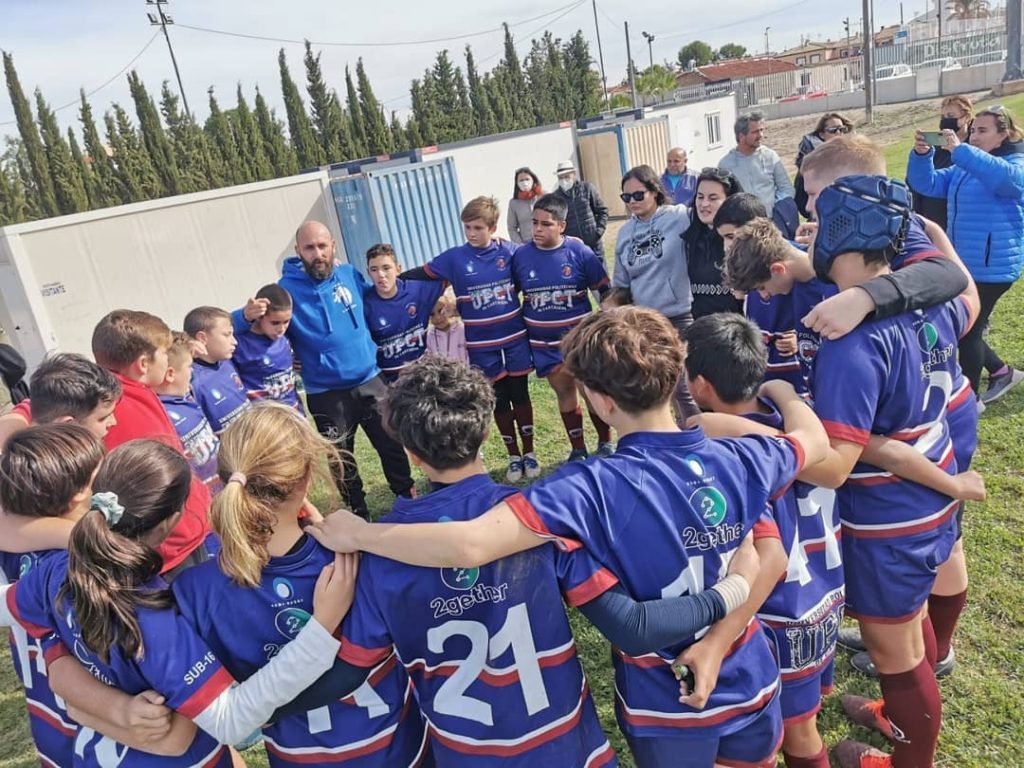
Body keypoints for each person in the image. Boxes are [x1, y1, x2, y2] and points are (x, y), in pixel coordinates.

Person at [308, 308, 830, 768]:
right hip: (752, 674)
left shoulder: (586, 489)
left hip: (667, 700)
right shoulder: (746, 458)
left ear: (601, 403)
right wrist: (779, 392)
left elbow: (469, 544)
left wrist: (363, 531)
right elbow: (813, 444)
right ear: (677, 378)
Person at [0, 435, 357, 766]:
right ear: (172, 521)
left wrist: (76, 689)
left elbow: (14, 611)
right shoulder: (156, 614)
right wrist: (320, 630)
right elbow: (228, 722)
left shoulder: (58, 568)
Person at [795, 175, 979, 768]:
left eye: (820, 224)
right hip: (932, 495)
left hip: (888, 520)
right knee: (912, 621)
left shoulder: (851, 342)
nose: (811, 234)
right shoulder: (932, 301)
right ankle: (900, 717)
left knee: (893, 649)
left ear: (846, 231)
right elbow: (965, 296)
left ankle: (910, 758)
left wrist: (776, 424)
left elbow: (836, 466)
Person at [172, 403, 429, 766]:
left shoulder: (193, 592)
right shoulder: (362, 561)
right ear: (307, 477)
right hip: (395, 753)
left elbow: (227, 713)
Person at [684, 314, 843, 768]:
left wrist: (718, 640)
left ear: (700, 384)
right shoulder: (798, 424)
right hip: (823, 600)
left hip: (774, 616)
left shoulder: (726, 453)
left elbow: (766, 559)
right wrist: (784, 391)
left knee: (776, 737)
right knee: (801, 728)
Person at [241, 220, 415, 520]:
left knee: (391, 441)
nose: (317, 253)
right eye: (309, 248)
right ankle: (358, 510)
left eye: (323, 246)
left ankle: (407, 496)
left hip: (370, 379)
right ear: (298, 251)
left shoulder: (349, 274)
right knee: (340, 457)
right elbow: (256, 323)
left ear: (333, 246)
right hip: (326, 393)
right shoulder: (285, 290)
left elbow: (381, 298)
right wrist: (242, 316)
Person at [402, 196, 540, 483]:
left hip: (514, 337)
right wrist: (391, 281)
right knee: (498, 400)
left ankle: (530, 452)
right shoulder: (454, 258)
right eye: (467, 228)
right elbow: (420, 274)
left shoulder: (511, 252)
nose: (472, 234)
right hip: (481, 344)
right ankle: (513, 456)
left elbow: (538, 262)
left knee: (521, 394)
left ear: (492, 227)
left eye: (478, 227)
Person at [908, 104, 1024, 406]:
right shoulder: (965, 166)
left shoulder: (1015, 162)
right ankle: (1000, 373)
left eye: (982, 131)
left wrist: (962, 152)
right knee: (963, 327)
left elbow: (1007, 182)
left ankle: (969, 402)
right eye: (973, 130)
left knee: (967, 331)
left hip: (992, 267)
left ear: (1005, 134)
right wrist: (922, 157)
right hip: (965, 263)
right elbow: (928, 184)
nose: (974, 136)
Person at [511, 192, 614, 460]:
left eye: (546, 224)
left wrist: (608, 322)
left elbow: (604, 290)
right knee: (564, 392)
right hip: (544, 344)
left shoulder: (579, 251)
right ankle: (578, 449)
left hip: (579, 343)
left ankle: (605, 443)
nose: (537, 229)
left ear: (561, 226)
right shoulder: (521, 257)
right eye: (534, 222)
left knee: (591, 392)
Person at [607, 164, 698, 418]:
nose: (632, 201)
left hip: (679, 314)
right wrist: (614, 308)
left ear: (655, 191)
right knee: (653, 387)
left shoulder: (678, 217)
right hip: (646, 322)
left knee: (683, 386)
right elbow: (622, 283)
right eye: (626, 197)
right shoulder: (625, 233)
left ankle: (698, 436)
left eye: (638, 195)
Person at [715, 194, 804, 392]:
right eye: (723, 238)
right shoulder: (749, 271)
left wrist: (800, 336)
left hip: (797, 379)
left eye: (732, 237)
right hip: (764, 376)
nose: (727, 245)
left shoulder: (783, 271)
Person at [363, 243, 444, 381]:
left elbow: (454, 274)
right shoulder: (365, 304)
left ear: (398, 269)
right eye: (374, 269)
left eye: (386, 268)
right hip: (389, 384)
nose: (381, 275)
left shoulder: (417, 290)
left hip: (423, 376)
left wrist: (487, 247)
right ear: (368, 272)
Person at [156, 332, 220, 491]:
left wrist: (187, 345)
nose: (193, 372)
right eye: (189, 367)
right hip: (205, 502)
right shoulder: (162, 415)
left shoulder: (185, 396)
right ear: (170, 374)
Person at [684, 167, 744, 318]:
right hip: (701, 328)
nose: (704, 204)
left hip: (737, 327)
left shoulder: (742, 238)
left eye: (712, 198)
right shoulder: (690, 237)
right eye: (700, 197)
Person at [232, 284, 303, 412]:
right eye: (275, 323)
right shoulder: (239, 344)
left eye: (286, 322)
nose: (281, 328)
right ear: (259, 317)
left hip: (292, 413)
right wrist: (242, 315)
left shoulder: (285, 337)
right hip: (265, 420)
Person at [907, 95, 974, 230]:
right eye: (943, 117)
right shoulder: (934, 148)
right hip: (932, 219)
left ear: (966, 118)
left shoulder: (975, 147)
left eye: (950, 115)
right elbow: (916, 185)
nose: (945, 121)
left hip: (962, 220)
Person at [184, 305, 250, 435]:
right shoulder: (189, 379)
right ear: (202, 338)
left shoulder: (226, 361)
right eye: (227, 335)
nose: (234, 341)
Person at [718, 112, 796, 218]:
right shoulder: (726, 165)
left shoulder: (770, 156)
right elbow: (723, 198)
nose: (761, 135)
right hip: (743, 226)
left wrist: (776, 209)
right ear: (741, 136)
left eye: (761, 130)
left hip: (772, 223)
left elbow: (787, 188)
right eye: (755, 132)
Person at [795, 112, 854, 218]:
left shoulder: (850, 154)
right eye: (833, 130)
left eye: (842, 129)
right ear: (821, 134)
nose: (839, 133)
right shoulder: (812, 160)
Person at [553, 160, 609, 258]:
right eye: (561, 178)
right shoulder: (556, 197)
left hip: (594, 245)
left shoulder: (587, 188)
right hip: (572, 248)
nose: (564, 180)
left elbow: (602, 211)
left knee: (600, 272)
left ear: (574, 175)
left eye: (567, 177)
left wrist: (598, 232)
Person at [425, 290, 469, 364]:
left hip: (465, 374)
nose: (438, 317)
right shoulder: (430, 336)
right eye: (432, 314)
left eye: (441, 311)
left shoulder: (463, 329)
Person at [507, 167, 543, 243]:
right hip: (527, 243)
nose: (524, 183)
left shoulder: (544, 196)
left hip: (546, 241)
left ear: (533, 180)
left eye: (527, 179)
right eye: (521, 180)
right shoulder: (514, 203)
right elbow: (511, 228)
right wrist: (520, 245)